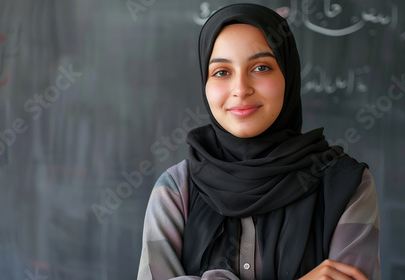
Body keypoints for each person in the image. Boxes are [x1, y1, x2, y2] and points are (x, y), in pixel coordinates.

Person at [137, 3, 380, 280]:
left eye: (261, 67)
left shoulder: (347, 185)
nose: (241, 89)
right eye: (221, 72)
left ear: (288, 76)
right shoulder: (176, 190)